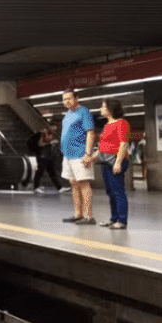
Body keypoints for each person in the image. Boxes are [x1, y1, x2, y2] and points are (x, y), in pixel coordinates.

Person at [59, 90, 97, 225]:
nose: (67, 101)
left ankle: (88, 216)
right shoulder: (68, 114)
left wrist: (88, 153)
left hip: (80, 154)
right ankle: (78, 214)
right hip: (68, 155)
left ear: (76, 98)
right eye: (64, 99)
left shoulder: (84, 112)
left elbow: (90, 133)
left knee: (84, 184)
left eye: (69, 98)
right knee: (74, 184)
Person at [93, 99, 131, 229]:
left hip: (115, 161)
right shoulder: (107, 125)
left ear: (110, 109)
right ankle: (114, 218)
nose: (101, 109)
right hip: (105, 161)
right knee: (110, 192)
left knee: (118, 191)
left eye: (103, 107)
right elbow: (102, 145)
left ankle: (122, 221)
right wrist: (93, 156)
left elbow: (123, 144)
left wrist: (118, 162)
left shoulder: (122, 123)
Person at [31, 125, 66, 193]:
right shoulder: (43, 133)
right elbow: (40, 144)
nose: (55, 129)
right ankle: (35, 187)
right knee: (40, 171)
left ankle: (59, 187)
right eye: (54, 127)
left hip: (48, 155)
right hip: (42, 155)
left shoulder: (49, 134)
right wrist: (50, 143)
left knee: (52, 172)